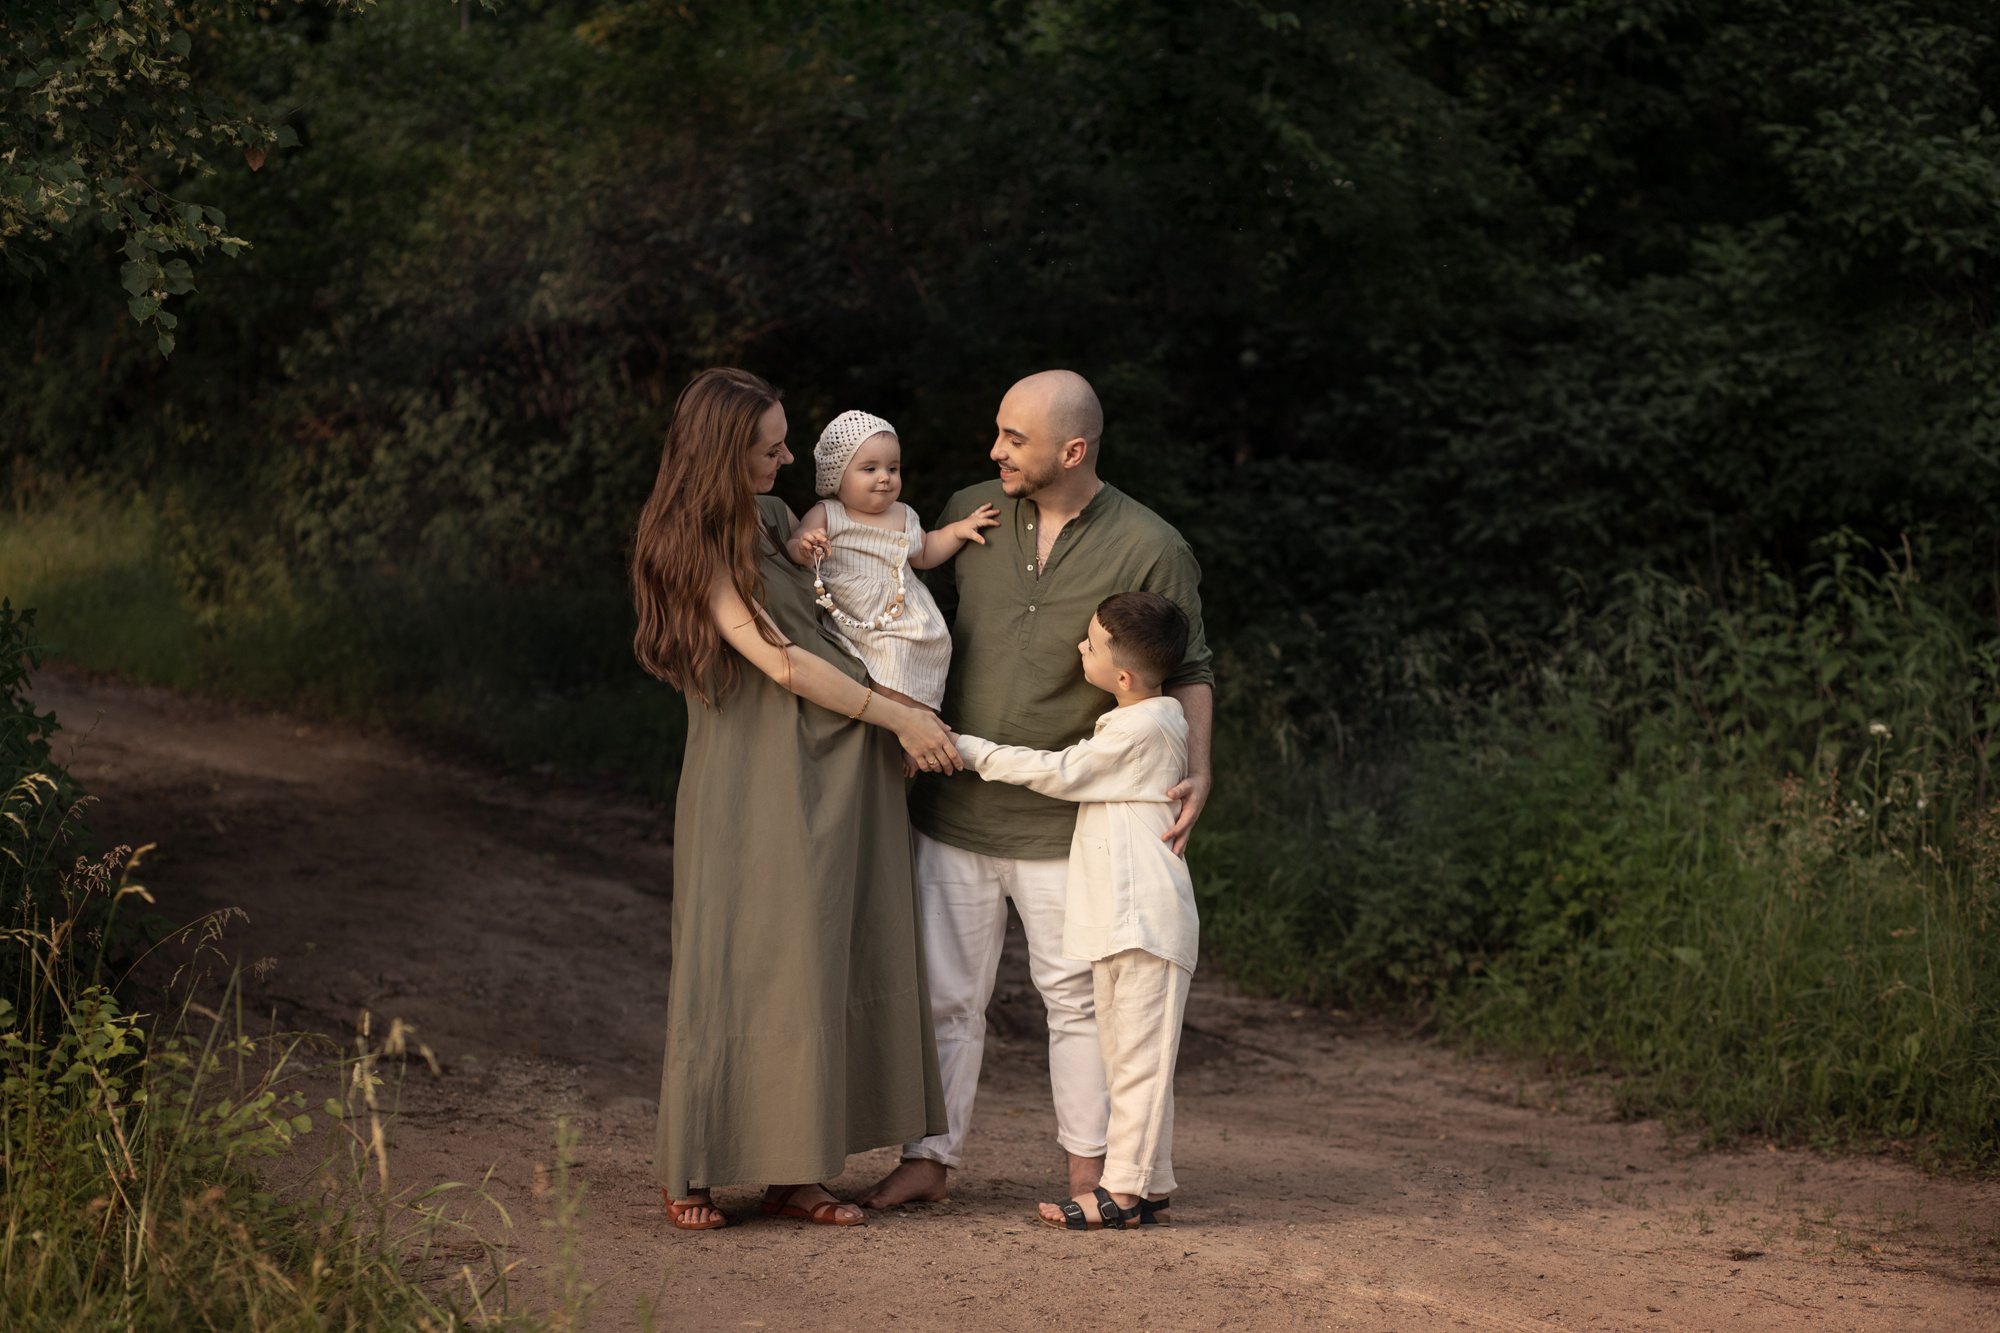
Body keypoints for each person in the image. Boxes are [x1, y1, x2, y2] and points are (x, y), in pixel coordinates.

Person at [858, 369, 1214, 1211]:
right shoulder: (970, 509)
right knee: (947, 996)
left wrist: (1198, 769)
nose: (996, 451)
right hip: (953, 806)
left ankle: (1091, 1169)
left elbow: (1190, 666)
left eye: (1015, 438)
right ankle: (928, 1157)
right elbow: (899, 617)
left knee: (1076, 1004)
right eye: (998, 433)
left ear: (1073, 449)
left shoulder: (1152, 545)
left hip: (1070, 823)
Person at [630, 367, 954, 1231]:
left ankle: (795, 1169)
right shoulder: (690, 539)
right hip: (755, 768)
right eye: (769, 445)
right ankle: (693, 1159)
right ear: (720, 452)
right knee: (737, 951)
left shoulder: (776, 519)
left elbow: (856, 599)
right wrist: (896, 714)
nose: (785, 455)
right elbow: (776, 658)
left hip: (838, 756)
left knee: (819, 957)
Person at [952, 592, 1197, 1230]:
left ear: (1122, 676)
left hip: (1145, 918)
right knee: (1127, 1056)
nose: (1078, 649)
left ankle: (1120, 1193)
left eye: (1089, 644)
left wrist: (969, 750)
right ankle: (1150, 1183)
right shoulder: (1136, 719)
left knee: (1139, 1058)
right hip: (1121, 916)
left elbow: (1062, 772)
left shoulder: (1145, 726)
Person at [783, 409, 1000, 715]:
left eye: (893, 468)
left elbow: (924, 552)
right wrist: (804, 547)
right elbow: (795, 545)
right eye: (869, 469)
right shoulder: (828, 514)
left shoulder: (903, 514)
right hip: (854, 612)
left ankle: (923, 718)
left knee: (935, 648)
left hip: (902, 613)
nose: (885, 477)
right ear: (837, 476)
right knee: (888, 663)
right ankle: (901, 725)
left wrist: (958, 531)